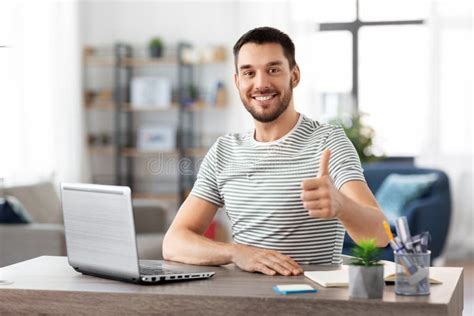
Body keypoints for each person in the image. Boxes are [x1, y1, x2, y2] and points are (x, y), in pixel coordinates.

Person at [163, 26, 389, 276]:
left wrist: (342, 205)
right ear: (238, 82)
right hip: (243, 300)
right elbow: (174, 242)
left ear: (294, 76)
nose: (260, 84)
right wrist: (236, 252)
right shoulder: (224, 151)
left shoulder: (328, 141)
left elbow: (381, 235)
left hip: (312, 301)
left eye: (273, 70)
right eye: (249, 73)